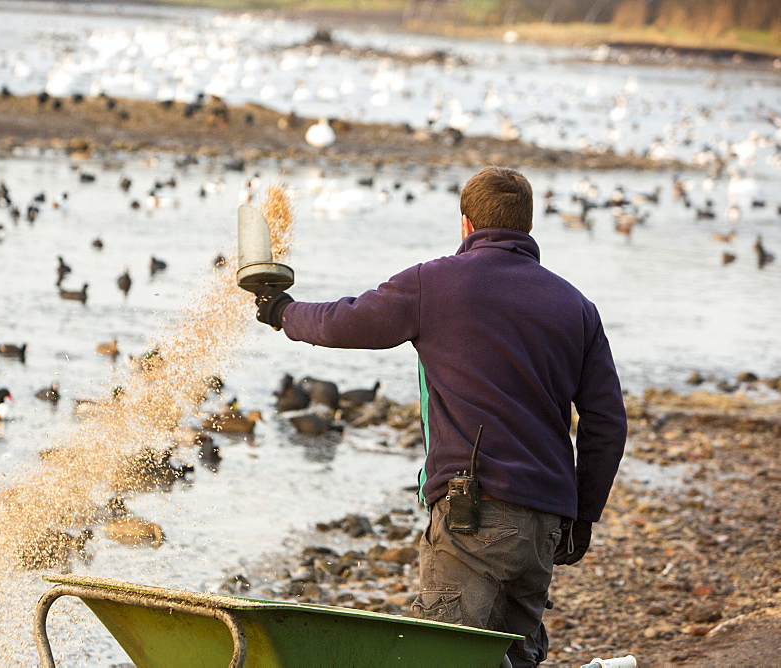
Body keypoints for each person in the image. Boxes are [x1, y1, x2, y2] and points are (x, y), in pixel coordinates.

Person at [253, 166, 628, 667]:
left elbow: (344, 321)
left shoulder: (435, 283)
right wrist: (582, 515)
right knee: (510, 659)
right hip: (545, 520)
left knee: (439, 657)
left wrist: (282, 312)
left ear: (466, 224)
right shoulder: (576, 305)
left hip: (475, 514)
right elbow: (606, 423)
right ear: (529, 227)